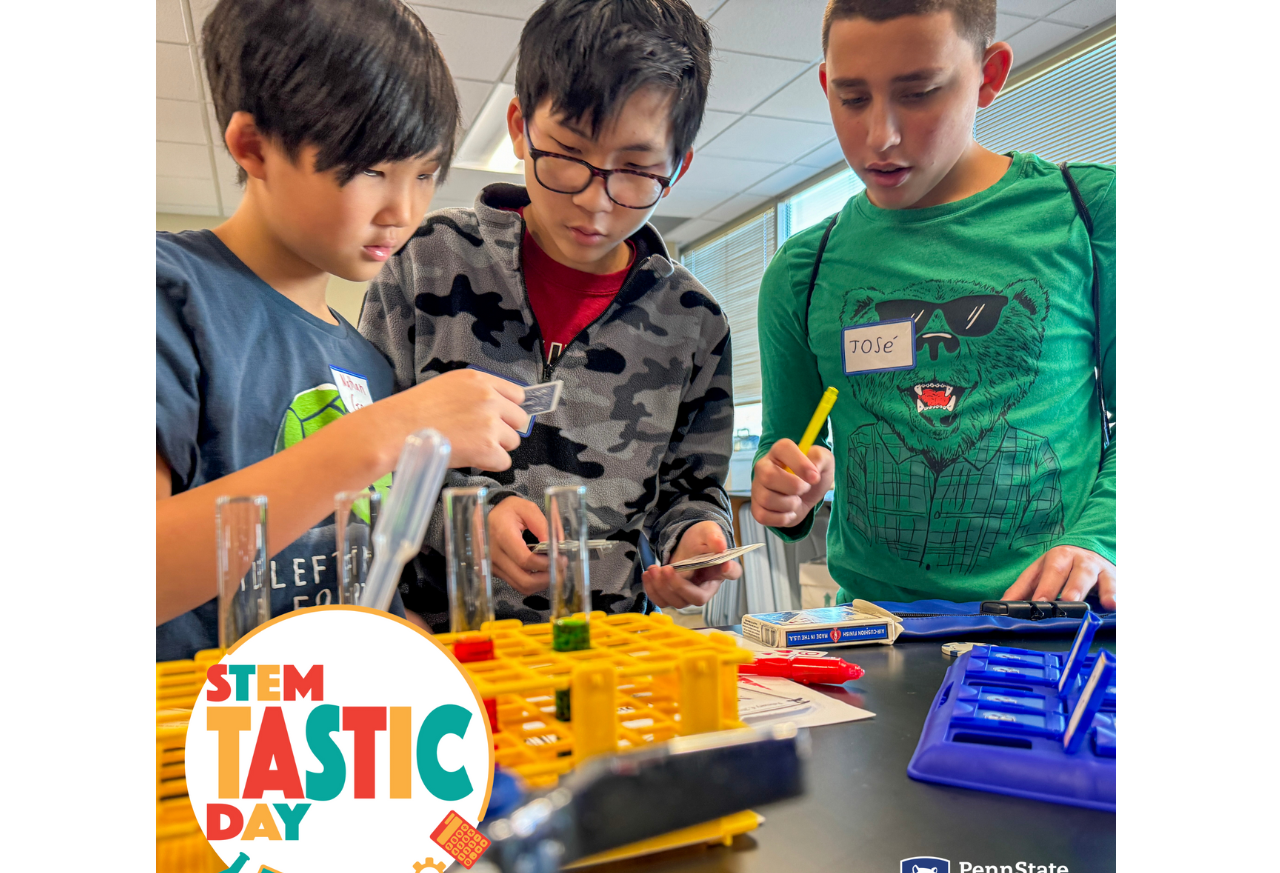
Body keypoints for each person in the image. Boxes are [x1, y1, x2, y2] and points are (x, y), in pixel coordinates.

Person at [156, 0, 531, 660]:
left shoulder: (367, 363)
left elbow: (361, 583)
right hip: (203, 718)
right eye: (371, 170)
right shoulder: (168, 295)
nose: (403, 210)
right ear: (254, 147)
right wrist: (386, 432)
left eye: (425, 174)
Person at [360, 0, 740, 628]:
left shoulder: (693, 320)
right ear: (520, 127)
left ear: (679, 165)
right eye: (567, 154)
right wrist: (468, 519)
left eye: (637, 170)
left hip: (607, 649)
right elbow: (365, 455)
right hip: (438, 644)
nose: (595, 202)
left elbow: (690, 489)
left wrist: (696, 539)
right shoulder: (426, 261)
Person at [752, 0, 1116, 610]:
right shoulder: (802, 270)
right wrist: (781, 491)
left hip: (1055, 623)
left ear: (989, 76)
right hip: (874, 631)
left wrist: (1100, 539)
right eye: (852, 98)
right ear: (825, 85)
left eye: (918, 94)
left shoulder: (1092, 215)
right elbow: (784, 451)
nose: (881, 137)